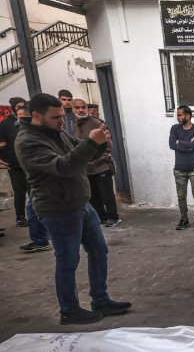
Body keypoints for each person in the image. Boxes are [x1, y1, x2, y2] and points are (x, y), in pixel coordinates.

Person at [16, 93, 131, 324]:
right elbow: (64, 166)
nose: (61, 120)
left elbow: (82, 152)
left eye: (62, 115)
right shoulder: (27, 141)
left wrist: (99, 142)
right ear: (36, 116)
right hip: (58, 210)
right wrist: (92, 142)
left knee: (99, 251)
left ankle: (100, 299)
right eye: (55, 116)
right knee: (68, 261)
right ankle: (69, 310)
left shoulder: (57, 132)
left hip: (81, 204)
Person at [72, 99, 120, 227]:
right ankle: (101, 216)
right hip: (86, 168)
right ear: (73, 110)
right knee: (93, 194)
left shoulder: (97, 123)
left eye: (83, 107)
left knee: (107, 193)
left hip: (101, 166)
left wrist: (98, 158)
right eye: (77, 108)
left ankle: (113, 217)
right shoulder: (76, 125)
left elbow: (108, 145)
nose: (81, 110)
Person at [15, 105, 51, 253]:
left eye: (22, 117)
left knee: (33, 208)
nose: (19, 121)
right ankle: (42, 238)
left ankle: (41, 240)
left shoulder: (31, 136)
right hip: (38, 178)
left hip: (43, 179)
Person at [169, 105, 194, 230]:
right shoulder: (174, 129)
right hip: (179, 169)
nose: (177, 118)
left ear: (187, 116)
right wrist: (187, 144)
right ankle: (184, 219)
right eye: (177, 115)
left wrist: (180, 142)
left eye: (179, 115)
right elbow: (172, 145)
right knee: (181, 196)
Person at [0, 97, 29, 226]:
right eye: (18, 107)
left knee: (33, 191)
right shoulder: (5, 124)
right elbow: (2, 143)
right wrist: (6, 160)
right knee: (19, 192)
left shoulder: (29, 121)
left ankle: (38, 216)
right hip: (15, 164)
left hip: (29, 163)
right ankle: (20, 216)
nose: (21, 109)